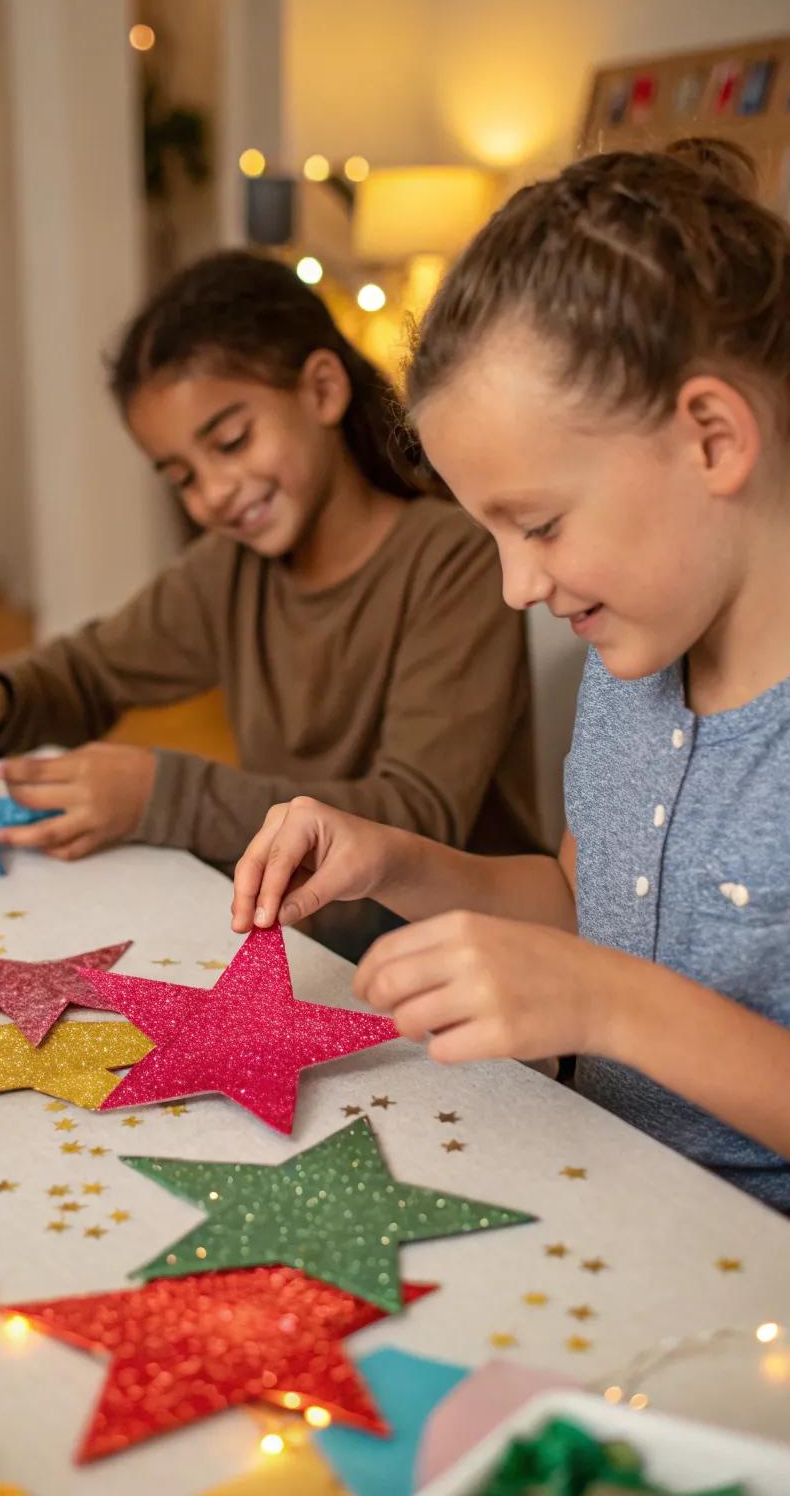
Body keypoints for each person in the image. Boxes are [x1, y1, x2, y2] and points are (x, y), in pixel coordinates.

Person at [232, 142, 790, 1206]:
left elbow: (602, 978)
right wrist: (393, 861)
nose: (513, 586)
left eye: (536, 524)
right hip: (593, 1193)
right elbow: (587, 909)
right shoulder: (635, 659)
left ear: (712, 438)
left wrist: (610, 1005)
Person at [0, 250, 539, 960]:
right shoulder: (231, 568)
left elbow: (418, 814)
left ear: (322, 390)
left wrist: (164, 796)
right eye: (180, 476)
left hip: (446, 955)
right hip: (297, 940)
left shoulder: (455, 558)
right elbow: (92, 671)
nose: (212, 494)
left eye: (230, 442)